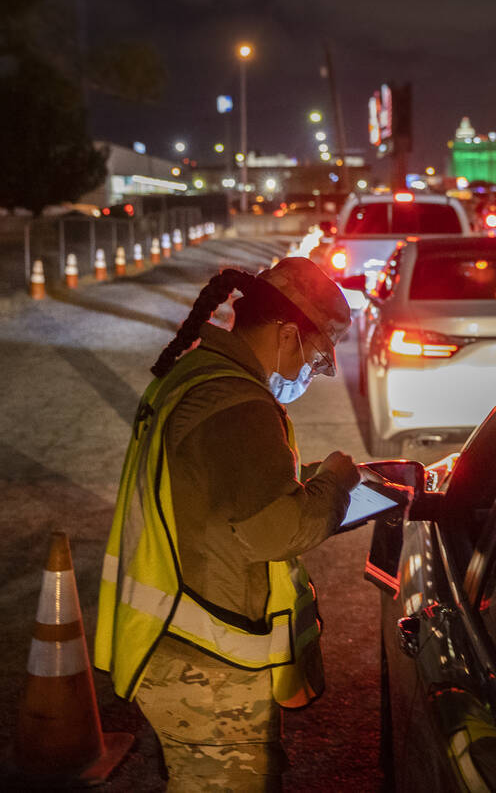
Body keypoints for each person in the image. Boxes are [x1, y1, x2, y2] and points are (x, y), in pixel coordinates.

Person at [93, 258, 361, 791]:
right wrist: (335, 480)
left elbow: (220, 487)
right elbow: (276, 530)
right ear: (287, 334)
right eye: (313, 354)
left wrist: (301, 480)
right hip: (204, 662)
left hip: (174, 644)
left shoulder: (198, 376)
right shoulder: (237, 401)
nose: (310, 368)